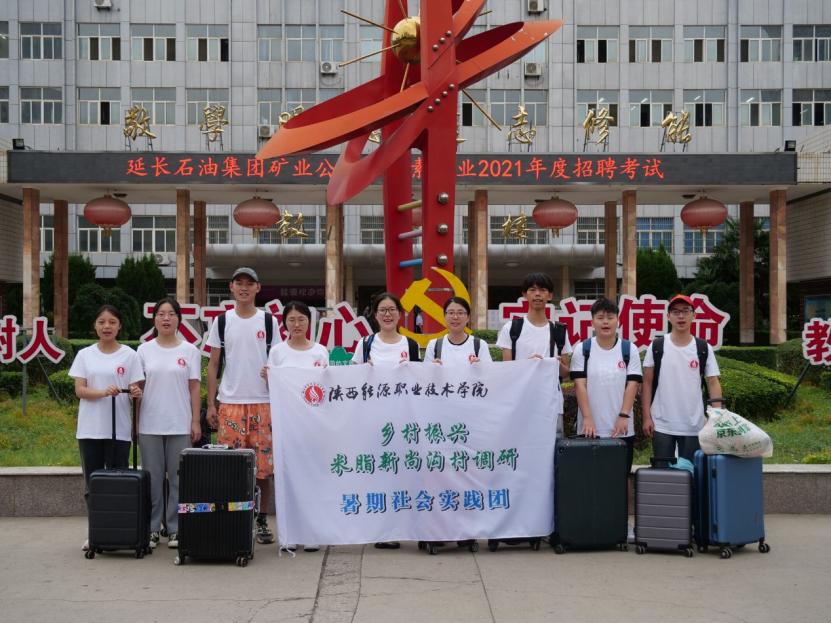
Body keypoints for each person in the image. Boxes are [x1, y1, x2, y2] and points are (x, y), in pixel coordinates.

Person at [206, 267, 281, 544]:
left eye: (250, 283)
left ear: (258, 288)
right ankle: (235, 518)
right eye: (239, 283)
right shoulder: (222, 321)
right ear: (231, 287)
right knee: (232, 467)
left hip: (263, 403)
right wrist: (211, 404)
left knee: (263, 469)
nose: (244, 288)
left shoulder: (269, 322)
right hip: (231, 404)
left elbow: (279, 361)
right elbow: (213, 364)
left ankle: (261, 520)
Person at [69, 304, 143, 552]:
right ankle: (95, 532)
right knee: (93, 484)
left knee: (118, 484)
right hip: (90, 429)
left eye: (112, 322)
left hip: (118, 429)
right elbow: (80, 390)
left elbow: (136, 390)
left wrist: (135, 392)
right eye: (102, 322)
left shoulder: (130, 355)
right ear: (95, 326)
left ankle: (117, 532)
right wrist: (103, 392)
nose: (107, 326)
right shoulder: (85, 354)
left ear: (119, 326)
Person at [351, 292, 420, 549]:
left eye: (392, 309)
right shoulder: (365, 344)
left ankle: (401, 526)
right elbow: (351, 382)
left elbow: (421, 383)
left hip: (403, 421)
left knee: (400, 474)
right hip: (373, 421)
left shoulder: (410, 345)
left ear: (400, 314)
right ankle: (380, 529)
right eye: (383, 310)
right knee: (378, 474)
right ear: (375, 314)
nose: (387, 314)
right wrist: (363, 371)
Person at [263, 300, 329, 553]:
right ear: (285, 324)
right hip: (286, 425)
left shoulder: (320, 352)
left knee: (313, 477)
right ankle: (289, 533)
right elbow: (272, 388)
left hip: (313, 425)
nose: (297, 324)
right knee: (288, 478)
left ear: (309, 322)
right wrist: (267, 376)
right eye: (291, 320)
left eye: (301, 319)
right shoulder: (278, 352)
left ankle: (311, 532)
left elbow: (326, 388)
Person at [136, 297, 202, 550]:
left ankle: (175, 528)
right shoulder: (144, 350)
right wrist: (135, 423)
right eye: (161, 314)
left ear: (178, 319)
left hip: (179, 423)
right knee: (152, 479)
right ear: (154, 319)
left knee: (177, 479)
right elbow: (138, 388)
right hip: (149, 424)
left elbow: (194, 388)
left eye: (171, 314)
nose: (166, 318)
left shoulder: (190, 350)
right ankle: (152, 528)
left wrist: (195, 421)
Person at [642, 294, 723, 462]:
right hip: (661, 424)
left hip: (693, 424)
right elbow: (647, 383)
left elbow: (713, 382)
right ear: (668, 316)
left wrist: (718, 418)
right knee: (663, 472)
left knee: (691, 472)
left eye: (686, 311)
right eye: (676, 311)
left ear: (694, 315)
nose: (681, 316)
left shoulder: (702, 347)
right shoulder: (657, 346)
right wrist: (646, 417)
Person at [569, 297, 642, 476]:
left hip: (621, 428)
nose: (605, 322)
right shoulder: (583, 349)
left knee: (619, 477)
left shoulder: (629, 349)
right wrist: (587, 418)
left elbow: (632, 384)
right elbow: (579, 385)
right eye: (600, 318)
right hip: (590, 428)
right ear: (592, 322)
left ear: (618, 321)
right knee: (591, 478)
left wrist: (624, 416)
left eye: (610, 317)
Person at [496, 272, 572, 433]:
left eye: (543, 290)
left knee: (553, 445)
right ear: (524, 295)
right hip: (519, 402)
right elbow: (506, 370)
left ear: (550, 295)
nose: (537, 294)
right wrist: (528, 365)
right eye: (532, 290)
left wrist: (554, 364)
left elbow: (566, 373)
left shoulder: (559, 330)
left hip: (551, 403)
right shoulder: (512, 328)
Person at [423, 297, 493, 365]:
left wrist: (480, 367)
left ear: (468, 317)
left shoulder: (480, 345)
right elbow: (425, 372)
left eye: (460, 313)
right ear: (445, 316)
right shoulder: (433, 345)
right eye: (451, 313)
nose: (455, 317)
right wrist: (432, 368)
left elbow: (489, 372)